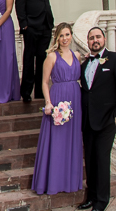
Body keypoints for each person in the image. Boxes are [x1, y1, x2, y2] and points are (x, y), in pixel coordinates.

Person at [78, 26, 116, 211]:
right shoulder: (84, 65)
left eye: (98, 37)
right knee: (90, 160)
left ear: (104, 38)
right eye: (91, 38)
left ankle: (101, 202)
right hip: (88, 120)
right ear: (88, 42)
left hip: (107, 120)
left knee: (101, 160)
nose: (95, 40)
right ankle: (91, 197)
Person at [29, 23, 84, 197]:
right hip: (58, 98)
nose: (65, 38)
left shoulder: (77, 55)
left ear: (71, 36)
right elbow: (44, 82)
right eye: (61, 35)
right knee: (57, 142)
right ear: (57, 38)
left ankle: (70, 181)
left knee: (72, 140)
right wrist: (48, 103)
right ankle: (53, 181)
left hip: (75, 99)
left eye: (67, 34)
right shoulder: (52, 57)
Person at [14, 0, 54, 104]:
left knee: (43, 60)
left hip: (45, 26)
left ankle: (40, 91)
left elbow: (45, 2)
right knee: (29, 59)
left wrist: (50, 21)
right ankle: (26, 92)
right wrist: (24, 24)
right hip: (31, 26)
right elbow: (20, 5)